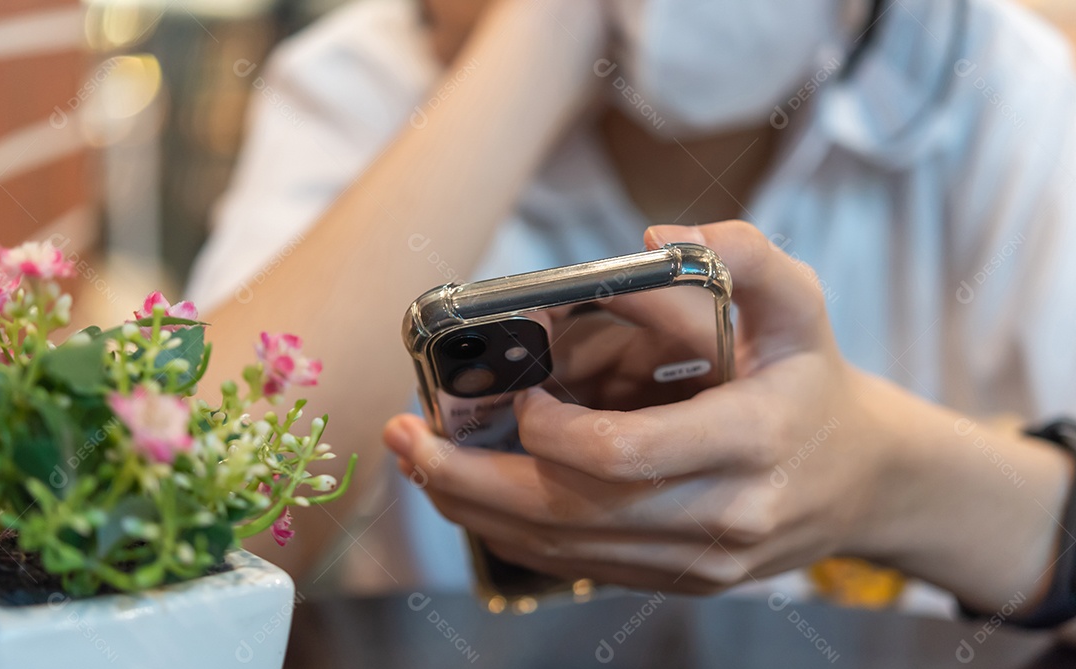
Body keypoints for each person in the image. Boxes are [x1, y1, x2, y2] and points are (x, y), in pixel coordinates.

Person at [189, 0, 1076, 622]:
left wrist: (884, 478)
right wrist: (538, 39)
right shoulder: (361, 81)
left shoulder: (994, 85)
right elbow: (174, 536)